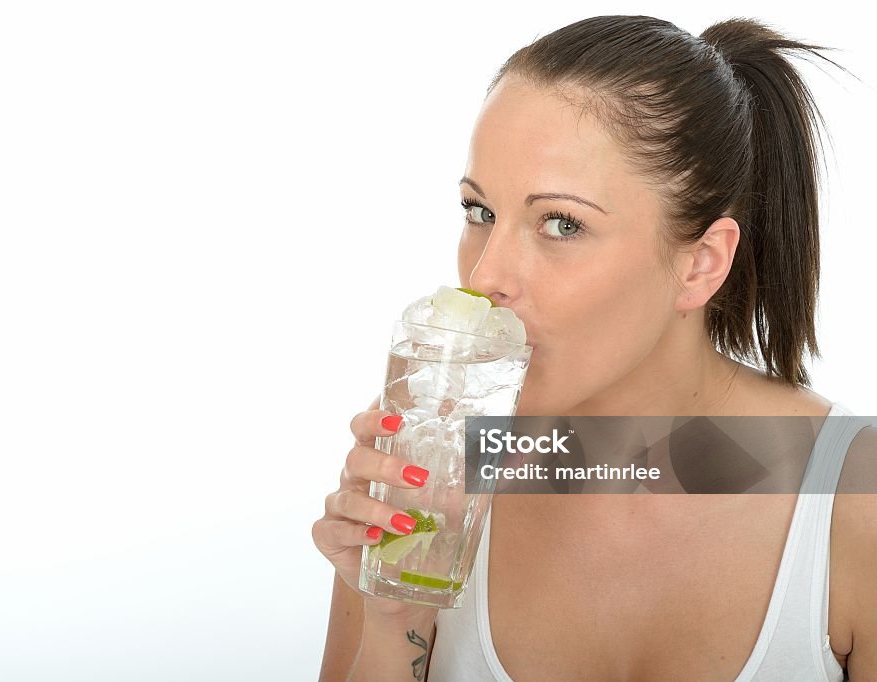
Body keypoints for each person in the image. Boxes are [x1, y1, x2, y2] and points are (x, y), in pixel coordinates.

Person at [312, 15, 877, 681]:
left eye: (561, 222)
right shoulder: (432, 456)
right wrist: (397, 614)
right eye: (480, 212)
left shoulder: (853, 501)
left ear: (700, 263)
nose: (486, 276)